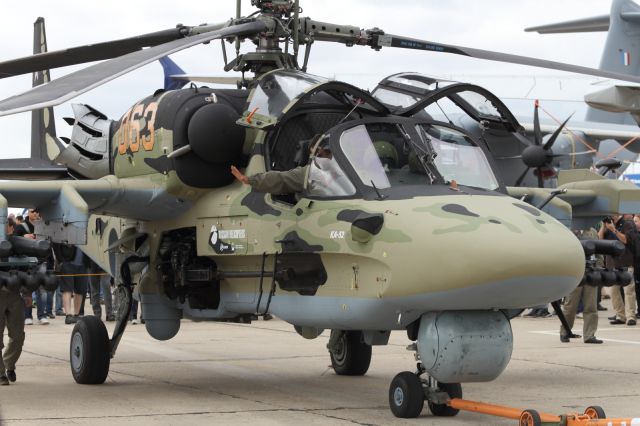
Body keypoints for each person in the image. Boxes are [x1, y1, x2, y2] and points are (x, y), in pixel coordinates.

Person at [560, 228, 602, 344]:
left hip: (591, 273)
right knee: (570, 306)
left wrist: (598, 268)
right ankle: (565, 332)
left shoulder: (593, 232)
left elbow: (599, 252)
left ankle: (589, 335)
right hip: (575, 273)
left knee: (591, 306)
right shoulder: (570, 230)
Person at [599, 214, 637, 326]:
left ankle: (631, 317)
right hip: (612, 264)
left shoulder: (628, 224)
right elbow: (600, 239)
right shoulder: (608, 225)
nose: (611, 216)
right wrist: (603, 226)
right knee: (614, 292)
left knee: (628, 291)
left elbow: (626, 240)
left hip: (625, 263)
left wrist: (614, 230)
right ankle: (620, 316)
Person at [0, 222, 25, 385]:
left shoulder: (18, 244)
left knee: (18, 336)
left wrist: (28, 293)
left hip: (15, 294)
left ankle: (9, 364)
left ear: (10, 228)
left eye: (6, 226)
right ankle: (1, 373)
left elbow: (28, 267)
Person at [52, 243, 89, 324]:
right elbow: (55, 242)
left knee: (80, 290)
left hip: (83, 264)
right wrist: (61, 260)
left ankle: (77, 315)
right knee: (67, 289)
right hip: (67, 262)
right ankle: (68, 315)